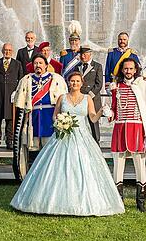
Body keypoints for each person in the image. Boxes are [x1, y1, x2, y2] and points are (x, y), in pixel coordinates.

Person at [11, 71, 124, 216]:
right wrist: (60, 123)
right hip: (62, 136)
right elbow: (54, 116)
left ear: (82, 83)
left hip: (82, 138)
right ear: (68, 83)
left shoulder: (87, 98)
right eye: (72, 81)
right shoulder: (62, 98)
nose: (74, 83)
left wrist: (101, 110)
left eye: (77, 81)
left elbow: (93, 118)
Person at [104, 58, 146, 212]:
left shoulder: (143, 86)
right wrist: (107, 112)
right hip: (120, 130)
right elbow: (114, 112)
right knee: (118, 166)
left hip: (137, 129)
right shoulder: (115, 87)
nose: (128, 72)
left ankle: (141, 202)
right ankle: (118, 201)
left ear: (135, 70)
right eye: (126, 69)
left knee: (140, 166)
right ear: (122, 70)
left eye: (131, 69)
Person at [14, 54, 68, 150]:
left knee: (50, 147)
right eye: (35, 63)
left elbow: (64, 100)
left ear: (46, 65)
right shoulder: (26, 80)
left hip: (50, 116)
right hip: (33, 117)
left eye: (40, 63)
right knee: (33, 147)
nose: (38, 65)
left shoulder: (56, 79)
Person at [0, 43, 24, 150]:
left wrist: (16, 92)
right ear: (2, 51)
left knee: (10, 120)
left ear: (12, 51)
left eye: (9, 50)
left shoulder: (17, 64)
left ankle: (9, 141)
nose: (7, 52)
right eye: (5, 50)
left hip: (11, 97)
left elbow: (21, 80)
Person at [78, 47, 103, 143]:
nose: (82, 56)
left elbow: (99, 84)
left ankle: (96, 144)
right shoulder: (78, 66)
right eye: (81, 54)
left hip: (93, 99)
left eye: (84, 54)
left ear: (90, 54)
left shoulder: (97, 66)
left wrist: (89, 96)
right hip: (80, 99)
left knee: (94, 122)